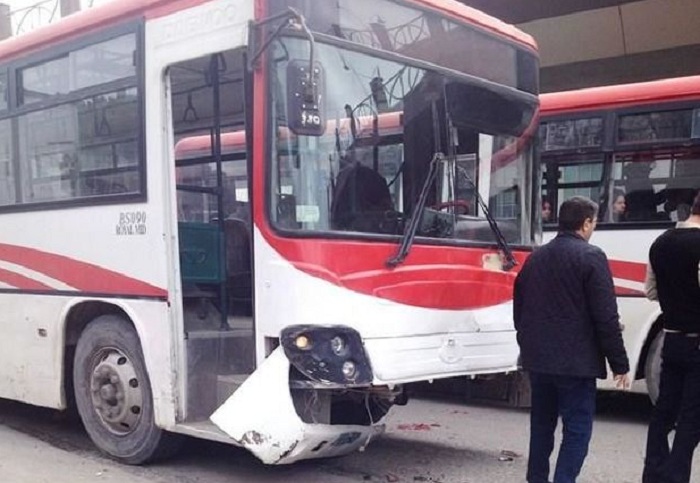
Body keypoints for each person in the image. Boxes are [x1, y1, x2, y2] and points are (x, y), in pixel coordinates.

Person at [514, 196, 630, 483]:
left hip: (539, 361)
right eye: (594, 223)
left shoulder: (536, 257)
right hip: (576, 364)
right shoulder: (591, 257)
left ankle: (536, 479)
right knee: (577, 430)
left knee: (541, 426)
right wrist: (620, 364)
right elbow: (606, 317)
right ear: (586, 223)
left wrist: (528, 343)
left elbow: (520, 308)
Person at [642, 191, 700, 483]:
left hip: (671, 339)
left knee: (664, 410)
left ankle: (653, 474)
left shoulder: (660, 242)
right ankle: (674, 477)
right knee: (691, 417)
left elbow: (650, 291)